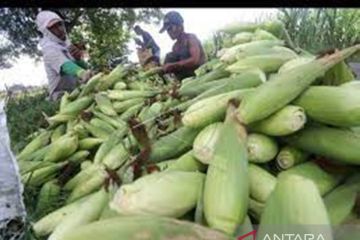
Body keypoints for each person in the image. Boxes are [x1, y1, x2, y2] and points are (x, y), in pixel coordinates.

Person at [35, 10, 93, 101]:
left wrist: (78, 59)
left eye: (59, 24)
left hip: (74, 91)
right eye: (53, 27)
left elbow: (84, 68)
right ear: (46, 31)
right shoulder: (49, 50)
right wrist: (82, 73)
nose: (60, 29)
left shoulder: (66, 44)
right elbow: (65, 66)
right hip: (60, 96)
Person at [159, 11, 206, 81]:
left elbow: (195, 60)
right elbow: (178, 66)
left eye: (170, 28)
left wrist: (172, 65)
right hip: (187, 80)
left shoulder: (190, 38)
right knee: (169, 57)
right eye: (167, 30)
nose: (168, 32)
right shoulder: (175, 46)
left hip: (201, 76)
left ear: (179, 26)